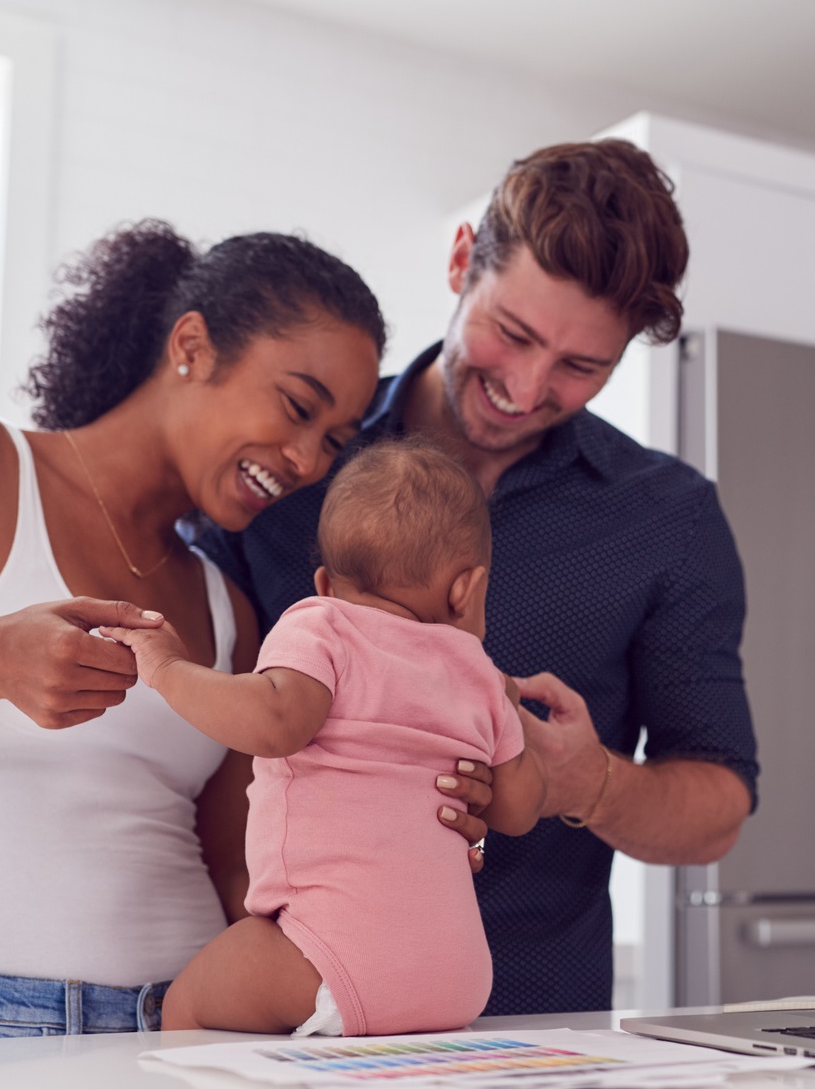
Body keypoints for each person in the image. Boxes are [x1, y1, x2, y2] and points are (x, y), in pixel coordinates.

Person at [0, 222, 494, 1041]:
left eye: (335, 440)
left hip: (183, 1034)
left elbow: (245, 870)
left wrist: (397, 836)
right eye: (298, 406)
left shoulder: (232, 609)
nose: (306, 458)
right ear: (191, 345)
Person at [193, 139, 761, 1015]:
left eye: (582, 367)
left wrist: (587, 783)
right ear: (462, 261)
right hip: (287, 1018)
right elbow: (168, 688)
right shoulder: (294, 455)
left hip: (535, 1029)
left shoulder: (666, 520)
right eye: (513, 333)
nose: (528, 388)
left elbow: (718, 804)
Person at [116, 438, 544, 1037]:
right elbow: (520, 810)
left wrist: (166, 670)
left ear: (323, 582)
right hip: (458, 981)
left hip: (331, 957)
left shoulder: (323, 624)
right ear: (465, 588)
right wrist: (510, 716)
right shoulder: (480, 675)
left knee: (186, 1004)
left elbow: (275, 721)